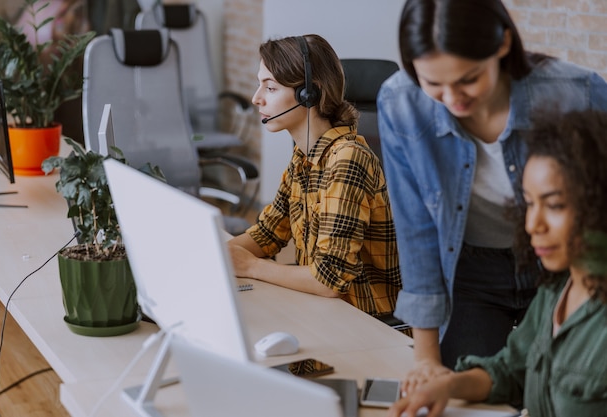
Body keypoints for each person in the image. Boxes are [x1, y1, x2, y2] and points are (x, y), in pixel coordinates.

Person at [377, 0, 607, 389]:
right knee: (473, 387)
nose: (453, 99)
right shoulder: (401, 104)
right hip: (469, 270)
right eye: (432, 83)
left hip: (566, 265)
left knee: (562, 388)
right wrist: (426, 360)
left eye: (468, 79)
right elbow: (417, 231)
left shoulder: (578, 93)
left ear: (502, 44)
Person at [388, 109, 607, 417]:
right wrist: (446, 386)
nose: (533, 224)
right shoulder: (557, 288)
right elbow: (510, 370)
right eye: (529, 204)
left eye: (555, 205)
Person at [227, 34, 401, 317]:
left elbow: (329, 279)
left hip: (365, 320)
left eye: (270, 88)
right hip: (322, 309)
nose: (256, 98)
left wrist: (249, 266)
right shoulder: (303, 157)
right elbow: (268, 233)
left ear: (310, 93)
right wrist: (213, 256)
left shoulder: (347, 159)